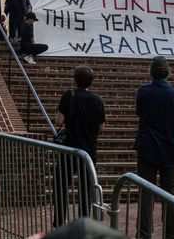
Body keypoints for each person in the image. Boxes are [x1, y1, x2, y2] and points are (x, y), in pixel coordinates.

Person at [135, 56, 174, 239]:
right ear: (168, 72)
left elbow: (139, 112)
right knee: (170, 194)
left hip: (147, 146)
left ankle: (144, 234)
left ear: (151, 72)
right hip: (170, 147)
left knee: (146, 194)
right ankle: (171, 234)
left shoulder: (143, 92)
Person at [53, 66, 106, 228]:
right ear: (91, 81)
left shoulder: (69, 96)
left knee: (61, 186)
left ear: (75, 79)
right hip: (88, 151)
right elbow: (101, 127)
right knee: (85, 189)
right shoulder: (97, 100)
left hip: (68, 149)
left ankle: (59, 220)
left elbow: (59, 121)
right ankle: (84, 222)